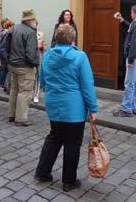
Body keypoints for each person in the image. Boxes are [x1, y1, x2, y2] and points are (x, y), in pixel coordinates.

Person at [35, 24, 98, 192]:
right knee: (72, 142)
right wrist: (93, 108)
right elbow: (87, 85)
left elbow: (42, 80)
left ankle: (42, 172)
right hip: (73, 107)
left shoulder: (48, 55)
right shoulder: (80, 56)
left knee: (54, 136)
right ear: (72, 39)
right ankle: (69, 180)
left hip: (54, 103)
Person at [113, 4, 136, 117]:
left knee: (129, 83)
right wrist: (122, 20)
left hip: (134, 57)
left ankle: (126, 109)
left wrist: (130, 61)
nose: (130, 14)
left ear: (135, 13)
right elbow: (132, 30)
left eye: (131, 12)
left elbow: (134, 43)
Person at [8, 9, 39, 126]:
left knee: (14, 90)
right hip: (25, 66)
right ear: (30, 20)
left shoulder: (15, 28)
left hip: (13, 64)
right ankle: (21, 118)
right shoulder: (30, 32)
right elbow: (31, 53)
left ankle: (12, 114)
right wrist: (35, 64)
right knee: (25, 92)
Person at [0, 20, 15, 91]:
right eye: (13, 26)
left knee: (4, 69)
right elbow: (2, 46)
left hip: (3, 54)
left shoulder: (2, 32)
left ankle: (3, 84)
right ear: (10, 26)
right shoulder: (7, 33)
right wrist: (7, 57)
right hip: (5, 55)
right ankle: (5, 85)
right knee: (6, 70)